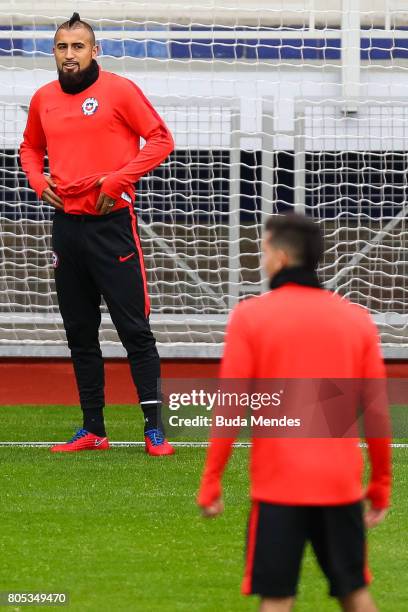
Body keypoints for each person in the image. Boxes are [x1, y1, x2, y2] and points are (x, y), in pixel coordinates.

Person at [197, 214, 392, 611]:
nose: (262, 260)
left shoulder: (251, 317)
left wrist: (212, 478)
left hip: (279, 486)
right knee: (355, 593)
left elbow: (231, 407)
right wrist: (381, 481)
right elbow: (376, 411)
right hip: (339, 484)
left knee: (277, 598)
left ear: (282, 257)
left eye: (264, 251)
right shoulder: (356, 320)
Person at [19, 12, 175, 456]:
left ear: (95, 51)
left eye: (78, 46)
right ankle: (93, 429)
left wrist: (117, 181)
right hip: (66, 230)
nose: (70, 55)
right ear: (54, 52)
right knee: (80, 332)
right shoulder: (43, 98)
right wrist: (37, 180)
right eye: (62, 47)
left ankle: (154, 429)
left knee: (134, 330)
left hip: (112, 228)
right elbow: (30, 147)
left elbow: (160, 140)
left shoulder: (119, 91)